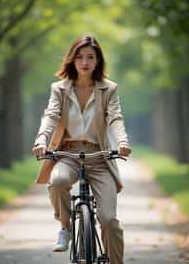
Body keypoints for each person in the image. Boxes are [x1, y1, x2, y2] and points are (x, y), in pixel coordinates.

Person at [32, 35, 131, 264]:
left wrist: (122, 142)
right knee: (57, 181)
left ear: (98, 61)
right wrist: (41, 140)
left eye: (90, 57)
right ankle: (65, 227)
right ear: (72, 60)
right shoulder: (59, 89)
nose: (85, 62)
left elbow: (115, 118)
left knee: (108, 219)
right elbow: (51, 115)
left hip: (99, 157)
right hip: (68, 155)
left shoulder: (109, 89)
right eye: (79, 57)